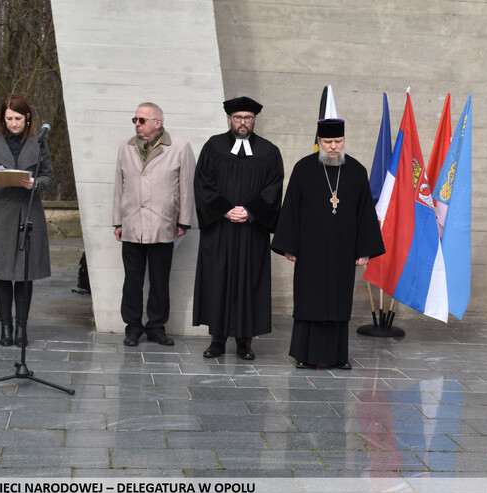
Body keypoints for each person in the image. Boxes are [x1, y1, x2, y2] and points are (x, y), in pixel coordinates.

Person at [272, 118, 384, 370]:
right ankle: (303, 354)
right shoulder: (303, 168)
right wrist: (289, 244)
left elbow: (365, 212)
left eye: (338, 141)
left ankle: (338, 357)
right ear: (319, 142)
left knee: (338, 301)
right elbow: (290, 208)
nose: (333, 146)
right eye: (328, 142)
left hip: (343, 250)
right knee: (309, 300)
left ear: (343, 141)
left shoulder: (356, 170)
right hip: (309, 249)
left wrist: (364, 250)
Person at [193, 96, 284, 360]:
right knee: (217, 280)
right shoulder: (213, 147)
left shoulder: (269, 151)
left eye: (247, 118)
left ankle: (245, 342)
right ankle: (217, 340)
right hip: (219, 229)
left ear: (254, 120)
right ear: (229, 119)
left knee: (249, 281)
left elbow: (274, 187)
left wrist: (250, 211)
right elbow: (203, 183)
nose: (242, 122)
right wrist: (224, 208)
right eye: (237, 117)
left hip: (251, 230)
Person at [113, 102, 195, 347]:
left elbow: (186, 187)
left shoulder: (180, 147)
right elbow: (119, 186)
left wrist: (184, 221)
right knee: (132, 280)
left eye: (142, 120)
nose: (137, 124)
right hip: (131, 224)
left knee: (160, 279)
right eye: (135, 120)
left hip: (164, 224)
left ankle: (157, 327)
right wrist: (118, 221)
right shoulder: (125, 148)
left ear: (157, 123)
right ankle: (132, 326)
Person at [0, 94, 54, 347]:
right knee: (1, 274)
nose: (13, 123)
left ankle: (22, 329)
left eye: (18, 118)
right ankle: (5, 329)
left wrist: (36, 183)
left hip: (28, 212)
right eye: (8, 118)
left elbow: (49, 177)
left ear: (27, 117)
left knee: (24, 274)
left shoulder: (38, 142)